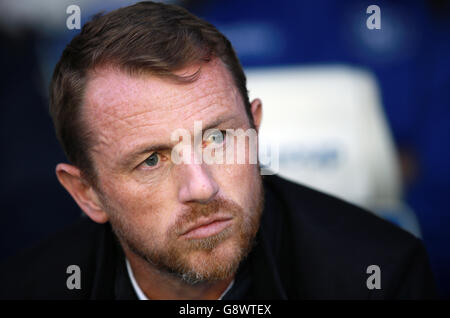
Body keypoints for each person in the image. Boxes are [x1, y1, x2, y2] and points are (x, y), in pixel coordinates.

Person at [0, 1, 436, 299]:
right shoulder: (28, 289)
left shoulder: (380, 276)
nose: (202, 187)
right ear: (86, 193)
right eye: (152, 159)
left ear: (255, 128)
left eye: (218, 139)